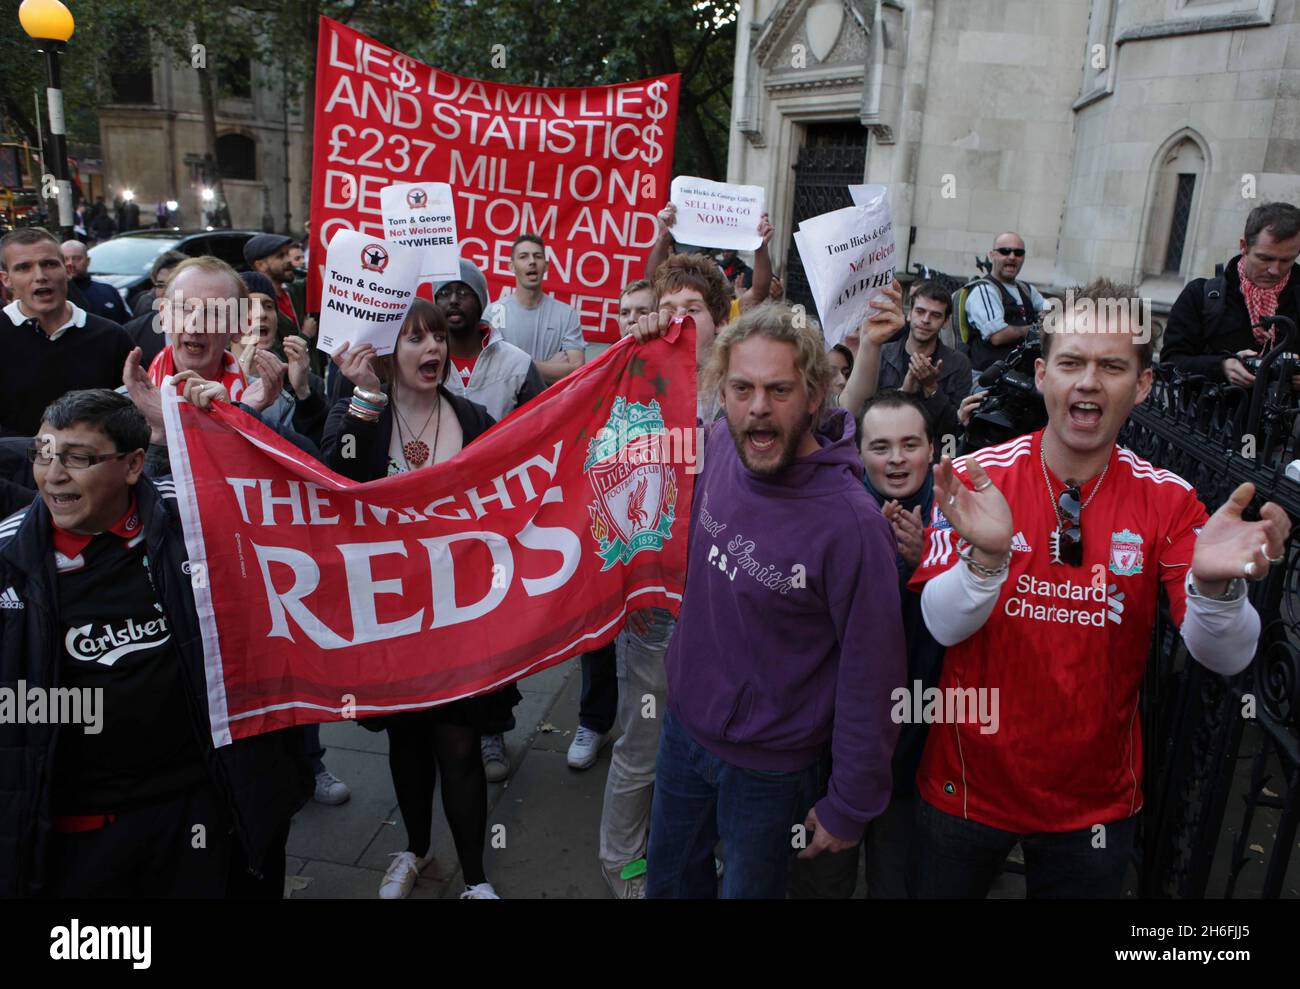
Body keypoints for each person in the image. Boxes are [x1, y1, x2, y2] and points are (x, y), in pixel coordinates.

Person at [906, 279, 1288, 898]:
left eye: (1111, 366)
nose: (1088, 382)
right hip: (966, 783)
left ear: (1141, 385)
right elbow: (942, 626)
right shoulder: (982, 479)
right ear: (1041, 374)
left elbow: (1225, 655)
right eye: (1071, 362)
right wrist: (987, 558)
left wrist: (1218, 593)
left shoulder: (1168, 499)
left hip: (1093, 805)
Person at [630, 300, 907, 899]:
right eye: (742, 388)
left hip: (773, 774)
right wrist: (653, 342)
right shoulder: (717, 448)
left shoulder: (853, 526)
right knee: (669, 887)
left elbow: (875, 673)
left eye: (778, 390)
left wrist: (851, 804)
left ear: (813, 397)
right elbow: (629, 439)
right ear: (721, 392)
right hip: (683, 735)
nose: (758, 406)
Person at [0, 389, 311, 897]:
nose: (53, 476)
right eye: (42, 453)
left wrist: (232, 423)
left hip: (201, 806)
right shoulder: (9, 556)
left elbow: (313, 497)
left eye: (78, 458)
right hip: (78, 831)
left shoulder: (194, 517)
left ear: (132, 465)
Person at [323, 300, 517, 900]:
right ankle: (413, 847)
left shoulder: (475, 417)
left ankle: (476, 877)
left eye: (436, 338)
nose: (430, 349)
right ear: (387, 353)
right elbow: (333, 477)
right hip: (392, 616)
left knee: (458, 743)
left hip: (459, 615)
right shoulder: (359, 414)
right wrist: (362, 399)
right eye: (413, 339)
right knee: (408, 743)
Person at [789, 391, 942, 898]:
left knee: (895, 883)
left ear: (932, 450)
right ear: (859, 456)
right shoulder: (833, 516)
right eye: (880, 446)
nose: (896, 459)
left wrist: (931, 568)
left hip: (914, 758)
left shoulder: (962, 524)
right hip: (831, 753)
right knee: (819, 880)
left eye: (909, 444)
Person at [0, 228, 132, 438]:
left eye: (49, 264)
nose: (40, 276)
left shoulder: (111, 337)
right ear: (6, 279)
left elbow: (132, 414)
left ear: (67, 270)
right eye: (24, 268)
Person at [1161, 202, 1300, 388]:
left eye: (1286, 260)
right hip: (1209, 413)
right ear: (1244, 246)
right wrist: (1222, 367)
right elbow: (1169, 364)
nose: (1275, 270)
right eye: (1265, 258)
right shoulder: (1200, 295)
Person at [844, 281, 971, 452]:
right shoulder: (880, 353)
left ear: (946, 321)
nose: (926, 320)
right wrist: (903, 393)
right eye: (920, 311)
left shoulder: (959, 363)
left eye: (935, 315)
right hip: (879, 453)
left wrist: (932, 389)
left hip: (931, 459)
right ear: (909, 313)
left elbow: (952, 429)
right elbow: (860, 414)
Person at [431, 257, 545, 422]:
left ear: (480, 302)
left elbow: (540, 425)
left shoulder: (517, 364)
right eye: (444, 293)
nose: (453, 300)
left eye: (463, 292)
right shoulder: (422, 361)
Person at [484, 234, 585, 384]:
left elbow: (577, 370)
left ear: (546, 265)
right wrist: (549, 366)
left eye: (537, 256)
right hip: (510, 407)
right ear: (511, 266)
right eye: (523, 256)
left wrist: (513, 365)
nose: (532, 262)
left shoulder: (566, 314)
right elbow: (490, 372)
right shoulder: (493, 313)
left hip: (552, 405)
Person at [961, 232, 1048, 374]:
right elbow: (998, 336)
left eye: (1018, 253)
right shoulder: (983, 290)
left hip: (1022, 376)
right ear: (992, 255)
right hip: (988, 380)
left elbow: (1054, 310)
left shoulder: (1026, 289)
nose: (1012, 257)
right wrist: (1037, 328)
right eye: (1004, 251)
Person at [123, 251, 187, 368]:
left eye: (175, 285)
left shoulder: (212, 330)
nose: (166, 292)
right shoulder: (132, 332)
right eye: (161, 285)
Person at [61, 240, 128, 325]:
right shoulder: (52, 295)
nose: (70, 263)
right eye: (65, 259)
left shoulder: (108, 290)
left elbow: (128, 325)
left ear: (88, 261)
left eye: (77, 258)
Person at [243, 233, 300, 333]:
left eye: (287, 254)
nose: (289, 260)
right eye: (280, 256)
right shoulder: (251, 304)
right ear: (260, 265)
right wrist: (306, 335)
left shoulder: (292, 291)